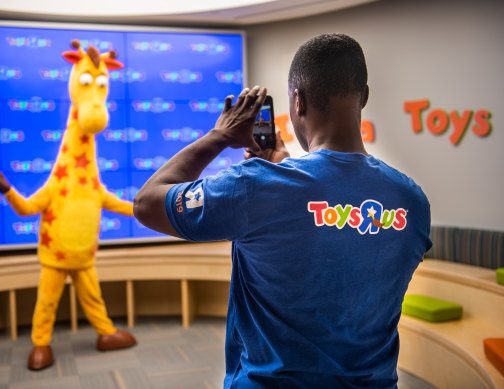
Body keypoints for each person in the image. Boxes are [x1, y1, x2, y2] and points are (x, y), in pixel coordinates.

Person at [134, 33, 432, 388]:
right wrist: (282, 167)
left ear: (297, 102)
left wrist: (221, 135)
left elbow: (148, 203)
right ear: (364, 97)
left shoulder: (256, 186)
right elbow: (337, 244)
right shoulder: (412, 200)